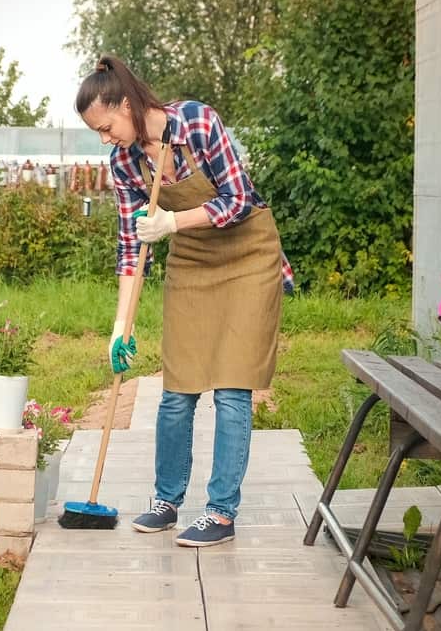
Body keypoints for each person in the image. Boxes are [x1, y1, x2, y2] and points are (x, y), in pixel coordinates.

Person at [76, 55, 294, 547]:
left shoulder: (196, 122)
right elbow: (133, 245)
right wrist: (120, 326)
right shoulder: (125, 161)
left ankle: (220, 512)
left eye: (107, 127)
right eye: (98, 133)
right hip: (195, 262)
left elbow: (239, 199)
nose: (105, 139)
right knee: (178, 390)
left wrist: (173, 222)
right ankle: (166, 500)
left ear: (127, 105)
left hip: (247, 255)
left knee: (232, 387)